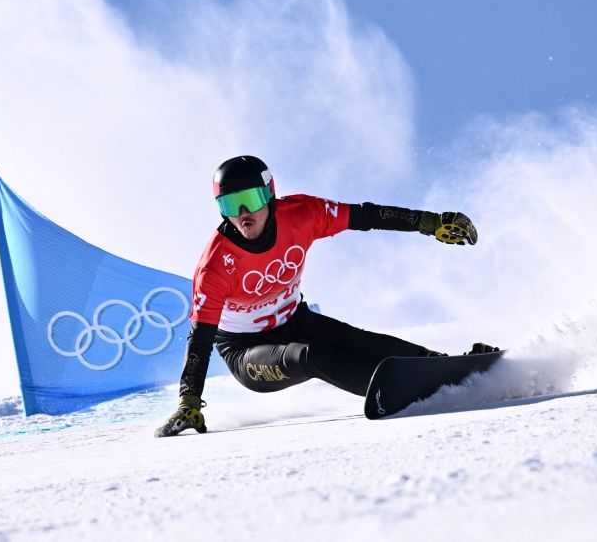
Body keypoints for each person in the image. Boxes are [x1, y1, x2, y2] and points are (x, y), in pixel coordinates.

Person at [155, 154, 490, 437]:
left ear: (270, 196)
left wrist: (428, 222)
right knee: (311, 356)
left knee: (362, 341)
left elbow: (365, 215)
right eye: (230, 204)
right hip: (245, 351)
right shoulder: (216, 264)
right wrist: (188, 402)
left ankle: (445, 368)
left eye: (253, 200)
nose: (244, 213)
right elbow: (200, 339)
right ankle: (403, 392)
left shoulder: (302, 214)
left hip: (294, 320)